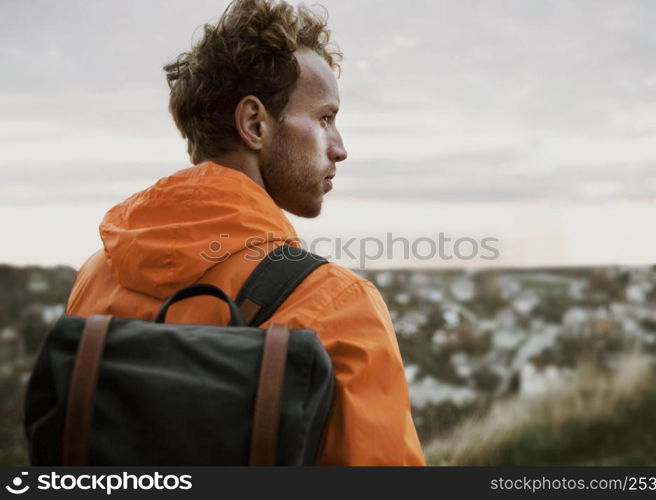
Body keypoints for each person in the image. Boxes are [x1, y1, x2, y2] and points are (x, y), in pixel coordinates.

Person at [66, 0, 425, 466]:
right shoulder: (336, 305)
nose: (340, 148)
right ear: (255, 124)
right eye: (324, 118)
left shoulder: (97, 274)